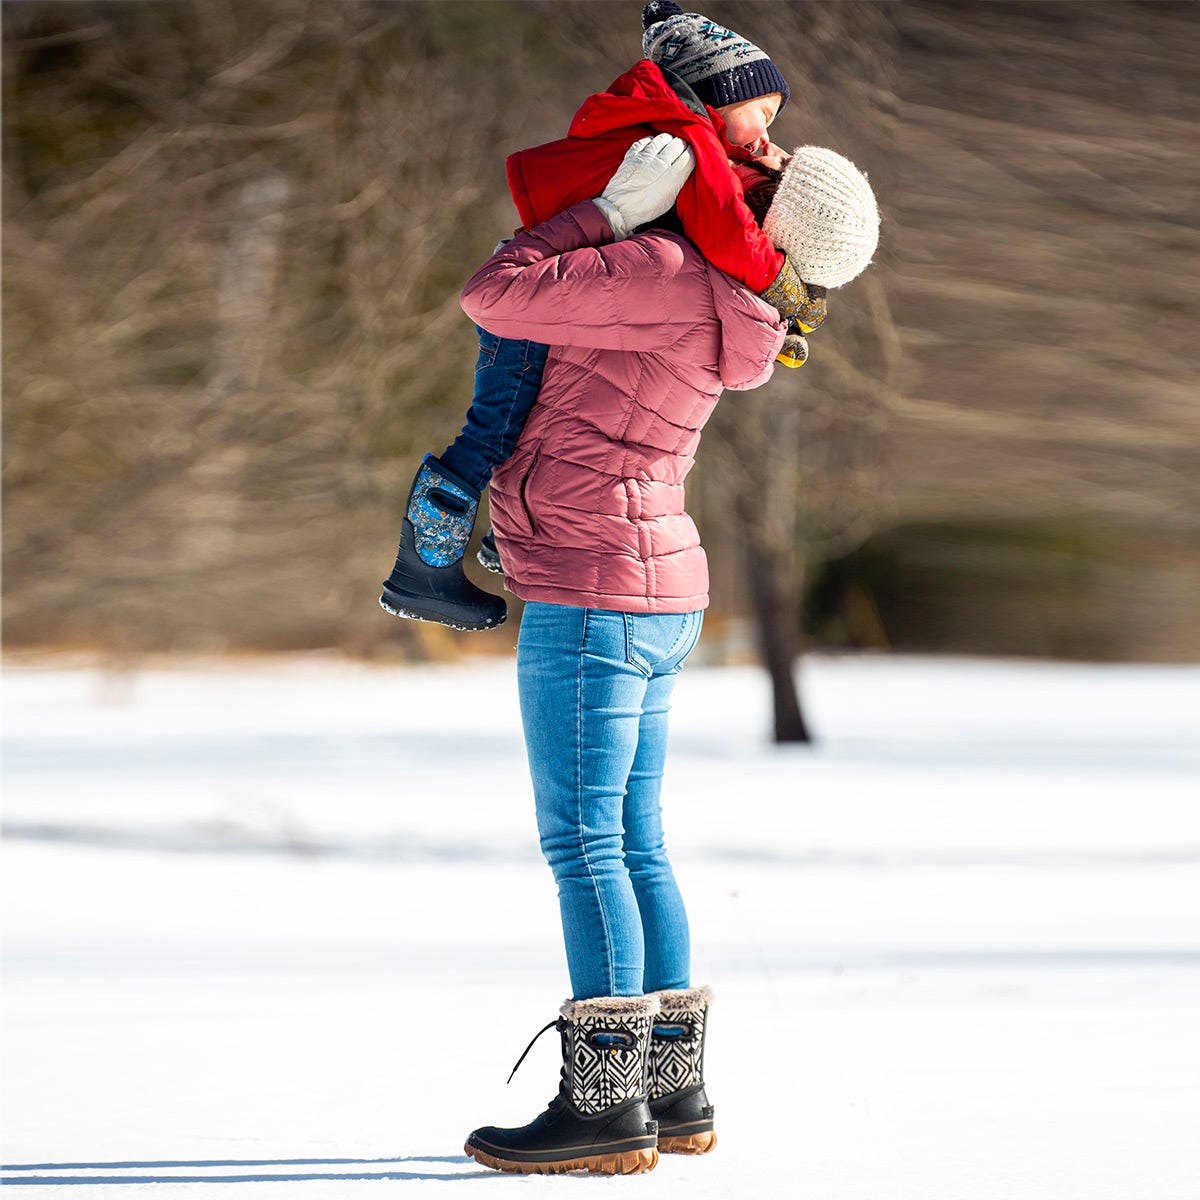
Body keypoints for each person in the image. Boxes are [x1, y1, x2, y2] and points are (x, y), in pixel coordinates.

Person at [453, 136, 878, 1175]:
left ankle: (604, 1111)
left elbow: (495, 291)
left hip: (595, 590)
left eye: (759, 172)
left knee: (585, 844)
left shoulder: (664, 272)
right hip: (652, 585)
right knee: (630, 842)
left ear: (763, 211)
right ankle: (669, 1091)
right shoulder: (739, 304)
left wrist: (602, 210)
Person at [379, 2, 829, 633]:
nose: (766, 134)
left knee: (514, 424)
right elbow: (725, 231)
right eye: (764, 113)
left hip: (561, 283)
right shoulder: (687, 141)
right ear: (718, 95)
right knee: (495, 428)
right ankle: (422, 571)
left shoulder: (664, 128)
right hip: (536, 292)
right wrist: (779, 284)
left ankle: (493, 545)